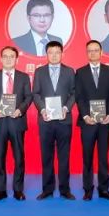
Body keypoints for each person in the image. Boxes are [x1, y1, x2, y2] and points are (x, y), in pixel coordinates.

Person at [0, 46, 33, 200]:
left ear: (16, 59)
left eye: (11, 56)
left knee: (19, 158)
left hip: (17, 121)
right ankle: (1, 190)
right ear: (0, 59)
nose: (8, 59)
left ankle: (18, 190)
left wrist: (20, 110)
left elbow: (28, 97)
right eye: (5, 56)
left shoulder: (24, 77)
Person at [32, 40, 76, 199]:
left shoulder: (70, 71)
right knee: (47, 156)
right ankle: (47, 189)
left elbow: (74, 93)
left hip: (64, 120)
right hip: (46, 121)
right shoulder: (39, 72)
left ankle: (65, 190)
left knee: (64, 157)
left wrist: (66, 108)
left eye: (57, 52)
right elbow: (35, 93)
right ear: (46, 54)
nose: (54, 55)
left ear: (62, 54)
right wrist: (43, 110)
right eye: (51, 52)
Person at [75, 40, 109, 200]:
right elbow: (79, 96)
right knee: (87, 157)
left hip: (105, 122)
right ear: (87, 53)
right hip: (88, 122)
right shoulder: (80, 72)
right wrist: (85, 116)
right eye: (90, 51)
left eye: (95, 50)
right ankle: (88, 188)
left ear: (101, 52)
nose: (92, 53)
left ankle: (104, 189)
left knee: (103, 157)